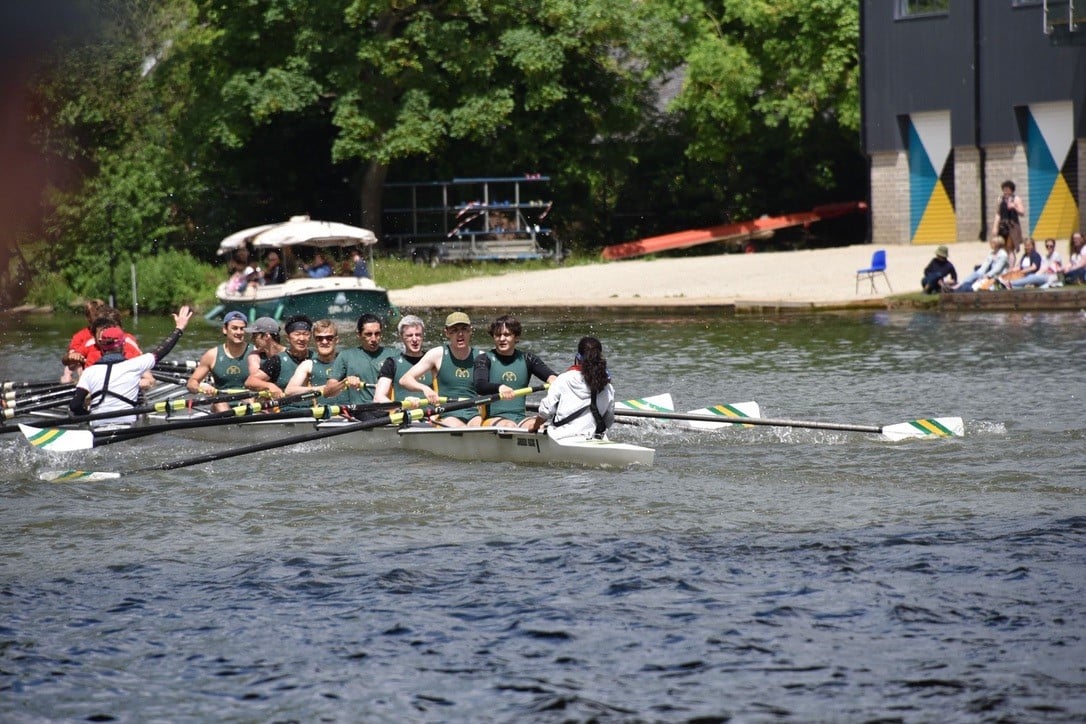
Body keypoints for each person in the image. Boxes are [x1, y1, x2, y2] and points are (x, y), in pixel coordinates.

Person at [69, 305, 194, 426]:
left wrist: (88, 416)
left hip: (97, 423)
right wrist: (179, 328)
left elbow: (74, 406)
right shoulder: (135, 365)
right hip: (128, 423)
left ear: (101, 345)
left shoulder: (89, 372)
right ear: (123, 344)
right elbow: (163, 349)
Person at [472, 314, 558, 427]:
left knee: (539, 426)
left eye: (507, 335)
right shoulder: (484, 359)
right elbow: (480, 385)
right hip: (493, 419)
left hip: (520, 417)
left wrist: (553, 379)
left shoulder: (528, 359)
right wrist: (499, 387)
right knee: (509, 425)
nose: (502, 339)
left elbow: (552, 377)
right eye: (498, 335)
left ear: (516, 337)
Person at [399, 311, 481, 427]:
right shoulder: (437, 354)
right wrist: (425, 389)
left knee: (476, 428)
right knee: (461, 428)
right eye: (454, 330)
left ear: (470, 330)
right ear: (447, 333)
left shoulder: (481, 357)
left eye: (464, 329)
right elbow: (405, 380)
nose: (460, 334)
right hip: (447, 413)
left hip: (473, 414)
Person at [526, 336, 615, 441]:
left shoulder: (563, 379)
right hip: (595, 438)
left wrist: (535, 426)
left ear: (578, 357)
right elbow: (609, 420)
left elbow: (546, 411)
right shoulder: (608, 386)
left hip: (560, 437)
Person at [186, 311, 253, 411]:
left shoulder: (255, 352)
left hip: (248, 402)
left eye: (242, 329)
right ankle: (229, 424)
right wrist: (201, 386)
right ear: (225, 330)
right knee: (219, 401)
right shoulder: (212, 355)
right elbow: (191, 383)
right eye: (234, 328)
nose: (239, 332)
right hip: (221, 404)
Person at [327, 313, 396, 406]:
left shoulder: (395, 354)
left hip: (389, 409)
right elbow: (328, 392)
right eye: (368, 334)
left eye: (377, 334)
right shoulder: (346, 356)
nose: (374, 339)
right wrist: (345, 382)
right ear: (358, 335)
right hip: (361, 411)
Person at [245, 314, 314, 400]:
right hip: (286, 407)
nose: (302, 338)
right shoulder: (276, 360)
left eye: (255, 336)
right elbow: (250, 381)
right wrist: (270, 386)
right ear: (288, 338)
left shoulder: (316, 358)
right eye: (297, 334)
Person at [284, 319, 346, 405]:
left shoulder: (347, 360)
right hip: (322, 415)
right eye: (319, 338)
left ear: (336, 340)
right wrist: (321, 388)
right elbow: (289, 391)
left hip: (349, 414)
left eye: (329, 338)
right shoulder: (307, 365)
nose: (324, 342)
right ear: (314, 341)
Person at [373, 315, 432, 404]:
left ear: (423, 335)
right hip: (403, 414)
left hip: (432, 416)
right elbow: (378, 398)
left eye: (418, 335)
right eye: (409, 335)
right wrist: (401, 406)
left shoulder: (433, 360)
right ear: (401, 337)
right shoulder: (391, 363)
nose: (414, 339)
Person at [60, 298, 106, 383]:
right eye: (95, 315)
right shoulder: (79, 337)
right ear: (88, 318)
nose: (98, 319)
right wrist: (74, 357)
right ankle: (74, 381)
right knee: (75, 365)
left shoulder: (113, 334)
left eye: (99, 314)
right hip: (86, 372)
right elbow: (70, 362)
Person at [991, 180, 1025, 265]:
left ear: (1011, 190)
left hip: (1012, 226)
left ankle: (1011, 267)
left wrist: (1014, 206)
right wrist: (995, 227)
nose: (1005, 191)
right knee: (1001, 247)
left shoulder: (1016, 199)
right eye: (1004, 189)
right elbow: (998, 214)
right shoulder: (1000, 199)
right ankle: (1003, 267)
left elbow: (1022, 212)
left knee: (1010, 248)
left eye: (1007, 189)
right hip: (1002, 226)